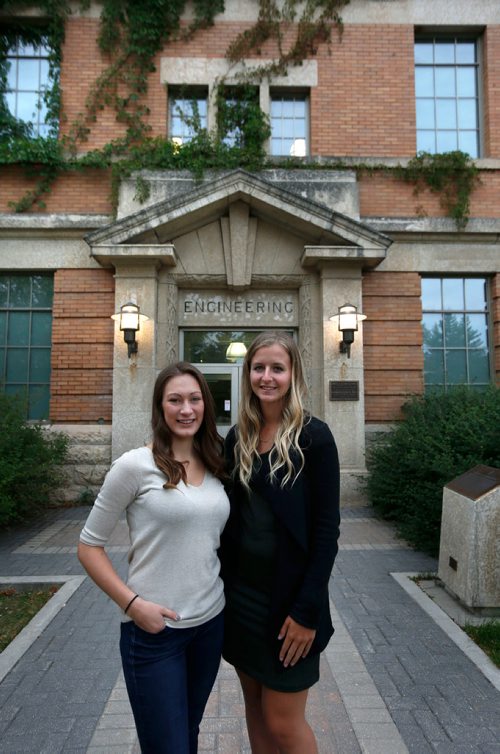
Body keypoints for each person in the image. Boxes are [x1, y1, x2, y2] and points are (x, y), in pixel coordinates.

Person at [78, 362, 229, 754]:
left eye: (195, 399)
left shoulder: (215, 462)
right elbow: (88, 545)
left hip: (209, 626)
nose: (186, 409)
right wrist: (132, 604)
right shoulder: (134, 466)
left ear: (205, 406)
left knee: (189, 734)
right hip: (154, 633)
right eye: (174, 400)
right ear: (160, 408)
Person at [221, 331, 340, 754]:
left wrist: (307, 611)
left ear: (292, 375)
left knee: (283, 722)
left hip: (291, 606)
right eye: (259, 367)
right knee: (254, 708)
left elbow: (327, 533)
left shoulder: (315, 438)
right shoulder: (239, 438)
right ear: (248, 373)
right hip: (243, 601)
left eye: (277, 368)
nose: (267, 377)